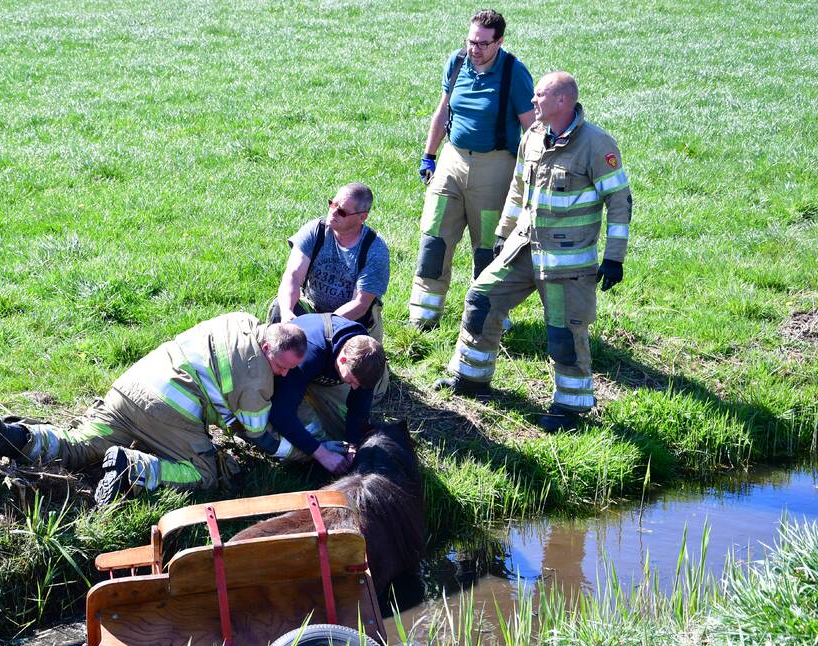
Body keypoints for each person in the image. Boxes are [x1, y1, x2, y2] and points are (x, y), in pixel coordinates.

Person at [435, 72, 632, 433]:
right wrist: (503, 234)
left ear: (562, 101)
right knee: (482, 299)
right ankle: (471, 378)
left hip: (565, 266)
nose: (532, 101)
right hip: (522, 250)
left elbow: (619, 201)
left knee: (564, 333)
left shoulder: (596, 144)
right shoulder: (533, 136)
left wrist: (614, 257)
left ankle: (570, 408)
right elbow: (517, 189)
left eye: (539, 95)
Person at [0, 313, 308, 505]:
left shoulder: (239, 321)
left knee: (81, 444)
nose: (283, 374)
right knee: (204, 474)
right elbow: (258, 435)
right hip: (170, 410)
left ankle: (10, 436)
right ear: (267, 348)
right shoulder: (258, 378)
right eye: (282, 366)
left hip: (133, 385)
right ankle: (133, 468)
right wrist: (306, 453)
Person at [407, 10, 535, 330]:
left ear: (499, 42)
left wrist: (531, 176)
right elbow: (442, 111)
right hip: (452, 162)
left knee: (488, 249)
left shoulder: (514, 73)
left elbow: (532, 129)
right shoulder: (457, 62)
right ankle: (423, 318)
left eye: (482, 44)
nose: (474, 49)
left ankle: (486, 321)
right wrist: (429, 155)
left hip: (495, 169)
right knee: (434, 238)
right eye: (471, 41)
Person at [269, 182, 390, 395]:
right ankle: (277, 366)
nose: (333, 212)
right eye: (332, 204)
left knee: (355, 381)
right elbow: (293, 276)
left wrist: (321, 329)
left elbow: (360, 304)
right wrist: (288, 314)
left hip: (351, 323)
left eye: (342, 211)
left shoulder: (375, 249)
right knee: (279, 307)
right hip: (312, 307)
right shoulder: (315, 230)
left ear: (362, 217)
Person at [267, 313, 386, 476]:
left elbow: (359, 407)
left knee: (341, 434)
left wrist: (353, 446)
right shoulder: (308, 355)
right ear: (342, 360)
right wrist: (322, 454)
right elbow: (280, 413)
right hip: (297, 370)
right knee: (307, 431)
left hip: (321, 373)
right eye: (352, 381)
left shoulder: (366, 358)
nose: (355, 387)